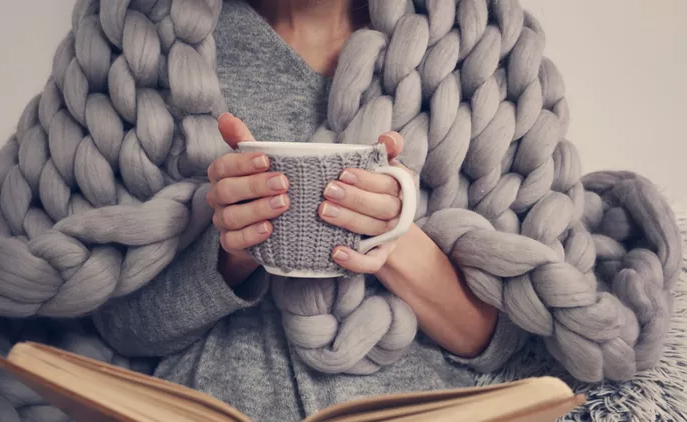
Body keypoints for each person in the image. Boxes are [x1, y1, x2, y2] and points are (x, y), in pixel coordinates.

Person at [93, 0, 529, 420]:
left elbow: (506, 344)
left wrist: (392, 235)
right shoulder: (149, 47)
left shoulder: (477, 48)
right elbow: (122, 331)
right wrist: (238, 249)